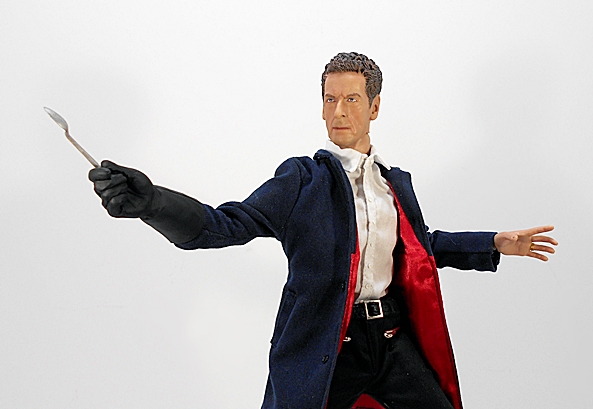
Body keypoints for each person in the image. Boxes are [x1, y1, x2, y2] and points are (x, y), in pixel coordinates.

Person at [89, 52, 557, 409]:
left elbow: (420, 247)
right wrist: (152, 203)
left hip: (391, 340)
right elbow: (222, 224)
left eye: (351, 99)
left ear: (374, 107)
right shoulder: (301, 181)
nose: (338, 112)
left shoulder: (394, 184)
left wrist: (494, 243)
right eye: (330, 99)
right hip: (331, 345)